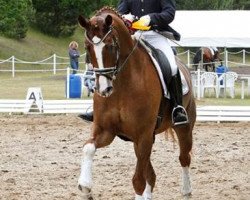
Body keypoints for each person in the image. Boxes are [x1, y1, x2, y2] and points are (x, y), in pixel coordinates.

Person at [79, 0, 189, 126]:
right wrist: (125, 17)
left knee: (173, 67)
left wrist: (152, 18)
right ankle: (99, 108)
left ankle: (177, 108)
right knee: (111, 63)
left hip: (157, 35)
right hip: (135, 35)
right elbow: (120, 12)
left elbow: (169, 13)